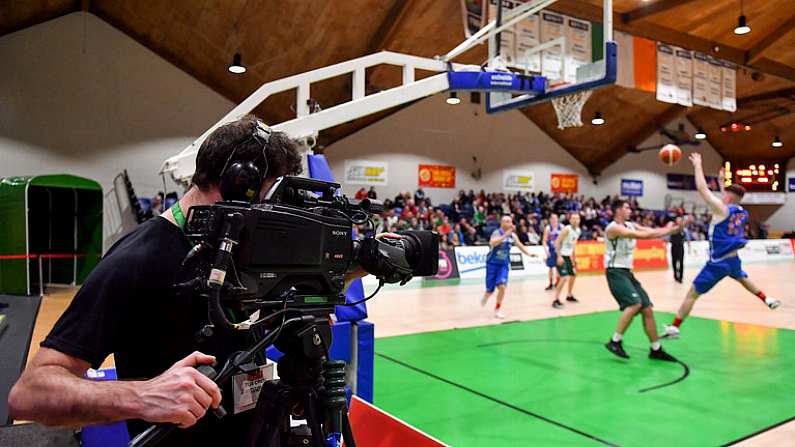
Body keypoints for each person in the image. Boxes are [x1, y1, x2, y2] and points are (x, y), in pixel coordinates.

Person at [8, 116, 376, 446]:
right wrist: (144, 396)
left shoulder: (243, 248)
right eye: (267, 202)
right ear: (236, 185)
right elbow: (31, 393)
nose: (273, 218)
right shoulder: (138, 259)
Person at [663, 154, 781, 339]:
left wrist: (698, 165)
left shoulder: (722, 209)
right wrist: (721, 182)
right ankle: (767, 299)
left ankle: (675, 327)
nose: (722, 195)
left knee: (692, 294)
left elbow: (702, 189)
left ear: (729, 196)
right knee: (742, 278)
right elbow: (724, 199)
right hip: (733, 259)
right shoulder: (742, 212)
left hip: (717, 262)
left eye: (725, 193)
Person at [604, 199, 680, 362]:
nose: (630, 210)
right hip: (615, 271)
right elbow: (643, 235)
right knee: (635, 304)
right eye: (626, 207)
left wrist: (673, 229)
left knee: (647, 309)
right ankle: (615, 341)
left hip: (627, 273)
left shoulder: (630, 224)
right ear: (618, 211)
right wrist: (670, 230)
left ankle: (656, 349)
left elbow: (650, 230)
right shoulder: (613, 228)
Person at [481, 216, 535, 319]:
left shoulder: (513, 236)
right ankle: (486, 295)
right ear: (502, 223)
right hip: (492, 264)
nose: (509, 223)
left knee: (502, 287)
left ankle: (497, 309)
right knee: (490, 290)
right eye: (506, 221)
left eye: (510, 221)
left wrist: (529, 253)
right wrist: (504, 236)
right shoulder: (496, 233)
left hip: (503, 265)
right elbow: (492, 243)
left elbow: (519, 245)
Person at [552, 213, 581, 309]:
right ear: (570, 220)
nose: (575, 220)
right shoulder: (567, 229)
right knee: (564, 278)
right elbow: (557, 242)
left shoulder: (578, 231)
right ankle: (555, 300)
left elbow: (573, 245)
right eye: (573, 219)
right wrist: (559, 256)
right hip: (561, 255)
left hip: (568, 256)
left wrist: (574, 257)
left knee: (573, 275)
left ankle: (569, 295)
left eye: (577, 219)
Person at [542, 214, 562, 291]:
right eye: (552, 218)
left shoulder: (561, 227)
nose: (554, 220)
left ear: (557, 219)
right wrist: (546, 250)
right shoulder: (548, 228)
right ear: (550, 220)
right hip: (551, 250)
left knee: (558, 267)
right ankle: (550, 283)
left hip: (559, 250)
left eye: (555, 218)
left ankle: (557, 282)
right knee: (550, 268)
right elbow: (544, 240)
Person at [669, 216, 689, 283]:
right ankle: (675, 275)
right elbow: (668, 236)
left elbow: (687, 237)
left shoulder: (684, 229)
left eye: (680, 220)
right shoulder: (672, 228)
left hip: (680, 247)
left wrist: (689, 245)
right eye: (678, 220)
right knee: (674, 261)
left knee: (681, 262)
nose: (679, 221)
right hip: (673, 247)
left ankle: (680, 277)